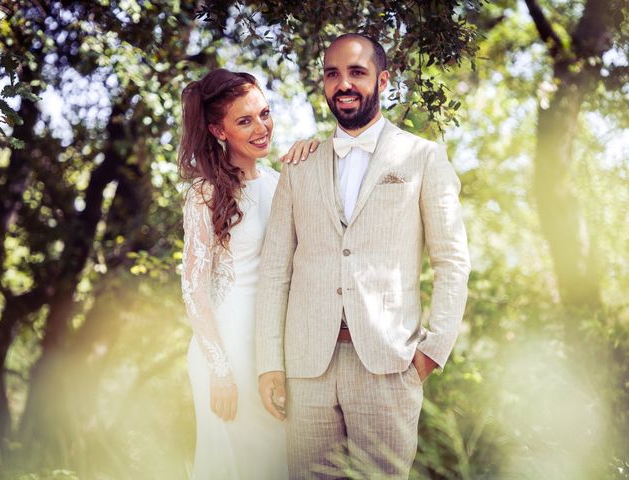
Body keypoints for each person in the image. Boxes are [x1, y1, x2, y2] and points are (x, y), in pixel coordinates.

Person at [256, 33, 471, 479]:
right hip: (307, 367)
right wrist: (270, 361)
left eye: (357, 72)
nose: (344, 84)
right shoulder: (298, 165)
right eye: (333, 74)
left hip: (389, 365)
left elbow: (451, 260)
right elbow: (276, 270)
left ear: (384, 80)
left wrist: (433, 350)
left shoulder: (423, 158)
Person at [178, 68, 317, 480]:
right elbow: (193, 290)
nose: (262, 128)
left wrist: (313, 155)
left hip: (277, 345)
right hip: (228, 348)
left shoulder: (283, 183)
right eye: (245, 120)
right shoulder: (204, 194)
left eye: (265, 114)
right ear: (218, 129)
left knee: (278, 463)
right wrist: (220, 370)